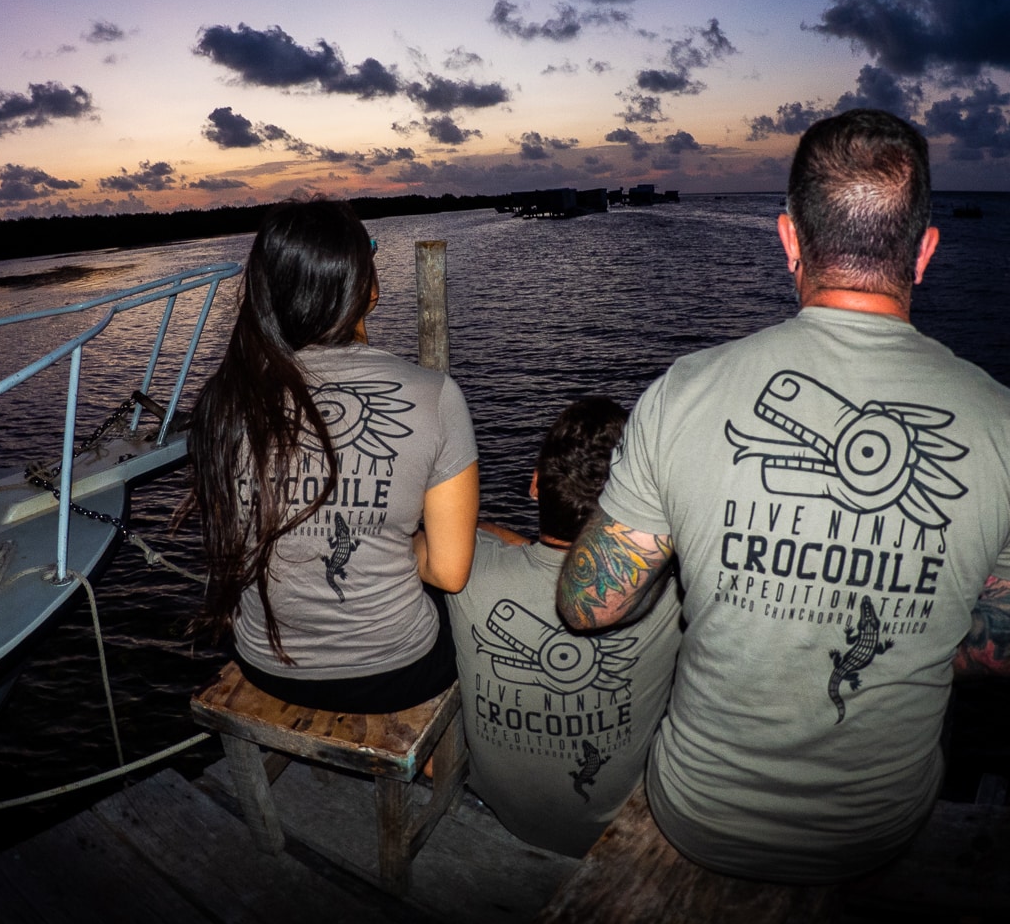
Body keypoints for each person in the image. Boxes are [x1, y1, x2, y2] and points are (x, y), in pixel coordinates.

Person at [555, 109, 1010, 883]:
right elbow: (998, 653)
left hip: (701, 814)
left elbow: (590, 607)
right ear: (924, 252)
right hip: (877, 829)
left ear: (789, 238)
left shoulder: (683, 391)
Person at [187, 199, 479, 713]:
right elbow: (450, 573)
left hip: (265, 662)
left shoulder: (223, 398)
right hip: (395, 673)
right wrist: (390, 537)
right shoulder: (434, 394)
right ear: (366, 287)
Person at [448, 396, 683, 857]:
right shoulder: (674, 591)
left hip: (503, 810)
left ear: (536, 487)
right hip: (615, 825)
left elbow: (425, 542)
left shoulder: (468, 573)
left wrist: (505, 541)